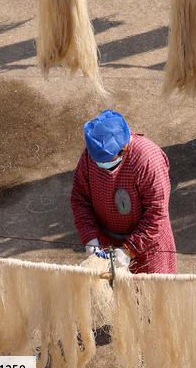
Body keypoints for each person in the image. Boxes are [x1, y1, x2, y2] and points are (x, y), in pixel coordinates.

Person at [71, 109, 177, 274]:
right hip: (106, 246)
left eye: (108, 162)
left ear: (124, 148)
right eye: (99, 162)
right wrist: (90, 238)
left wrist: (129, 250)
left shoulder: (149, 161)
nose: (103, 167)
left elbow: (156, 214)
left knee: (151, 295)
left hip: (147, 248)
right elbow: (80, 198)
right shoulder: (90, 156)